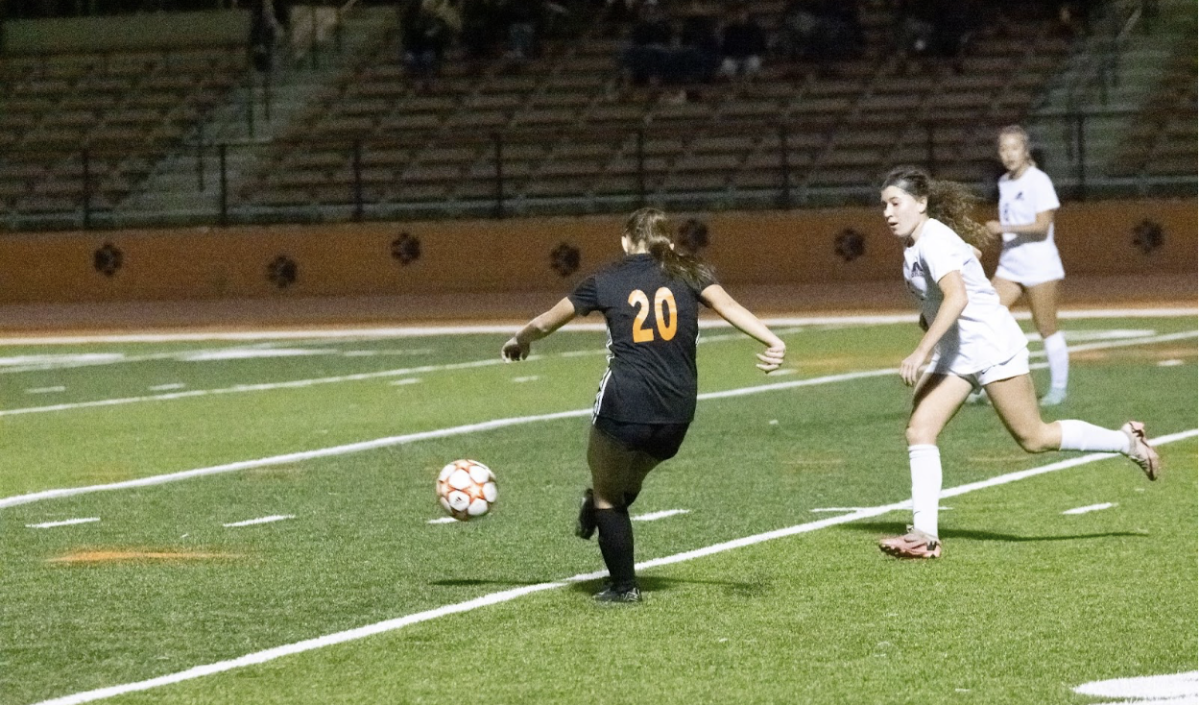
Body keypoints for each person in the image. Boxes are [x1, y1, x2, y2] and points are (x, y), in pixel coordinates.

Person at [502, 207, 787, 602]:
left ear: (625, 240)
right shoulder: (690, 271)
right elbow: (731, 308)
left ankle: (623, 586)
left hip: (626, 401)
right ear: (669, 241)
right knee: (627, 482)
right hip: (679, 408)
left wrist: (521, 339)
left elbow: (548, 321)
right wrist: (772, 340)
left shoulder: (605, 279)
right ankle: (603, 514)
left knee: (606, 493)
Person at [876, 166, 1160, 560]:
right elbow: (967, 261)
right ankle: (925, 535)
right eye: (884, 206)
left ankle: (1127, 441)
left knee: (1034, 438)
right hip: (959, 354)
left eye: (895, 203)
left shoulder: (933, 242)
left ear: (921, 203)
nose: (888, 213)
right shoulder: (920, 243)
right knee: (920, 431)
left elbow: (956, 298)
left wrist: (921, 350)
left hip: (992, 346)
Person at [985, 125, 1071, 407]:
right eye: (1003, 149)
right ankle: (985, 382)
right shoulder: (1004, 183)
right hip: (1011, 264)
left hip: (1039, 264)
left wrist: (1003, 228)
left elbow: (1043, 225)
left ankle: (1059, 388)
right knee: (984, 317)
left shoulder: (1039, 181)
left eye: (1014, 148)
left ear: (1025, 151)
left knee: (1046, 327)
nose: (1008, 154)